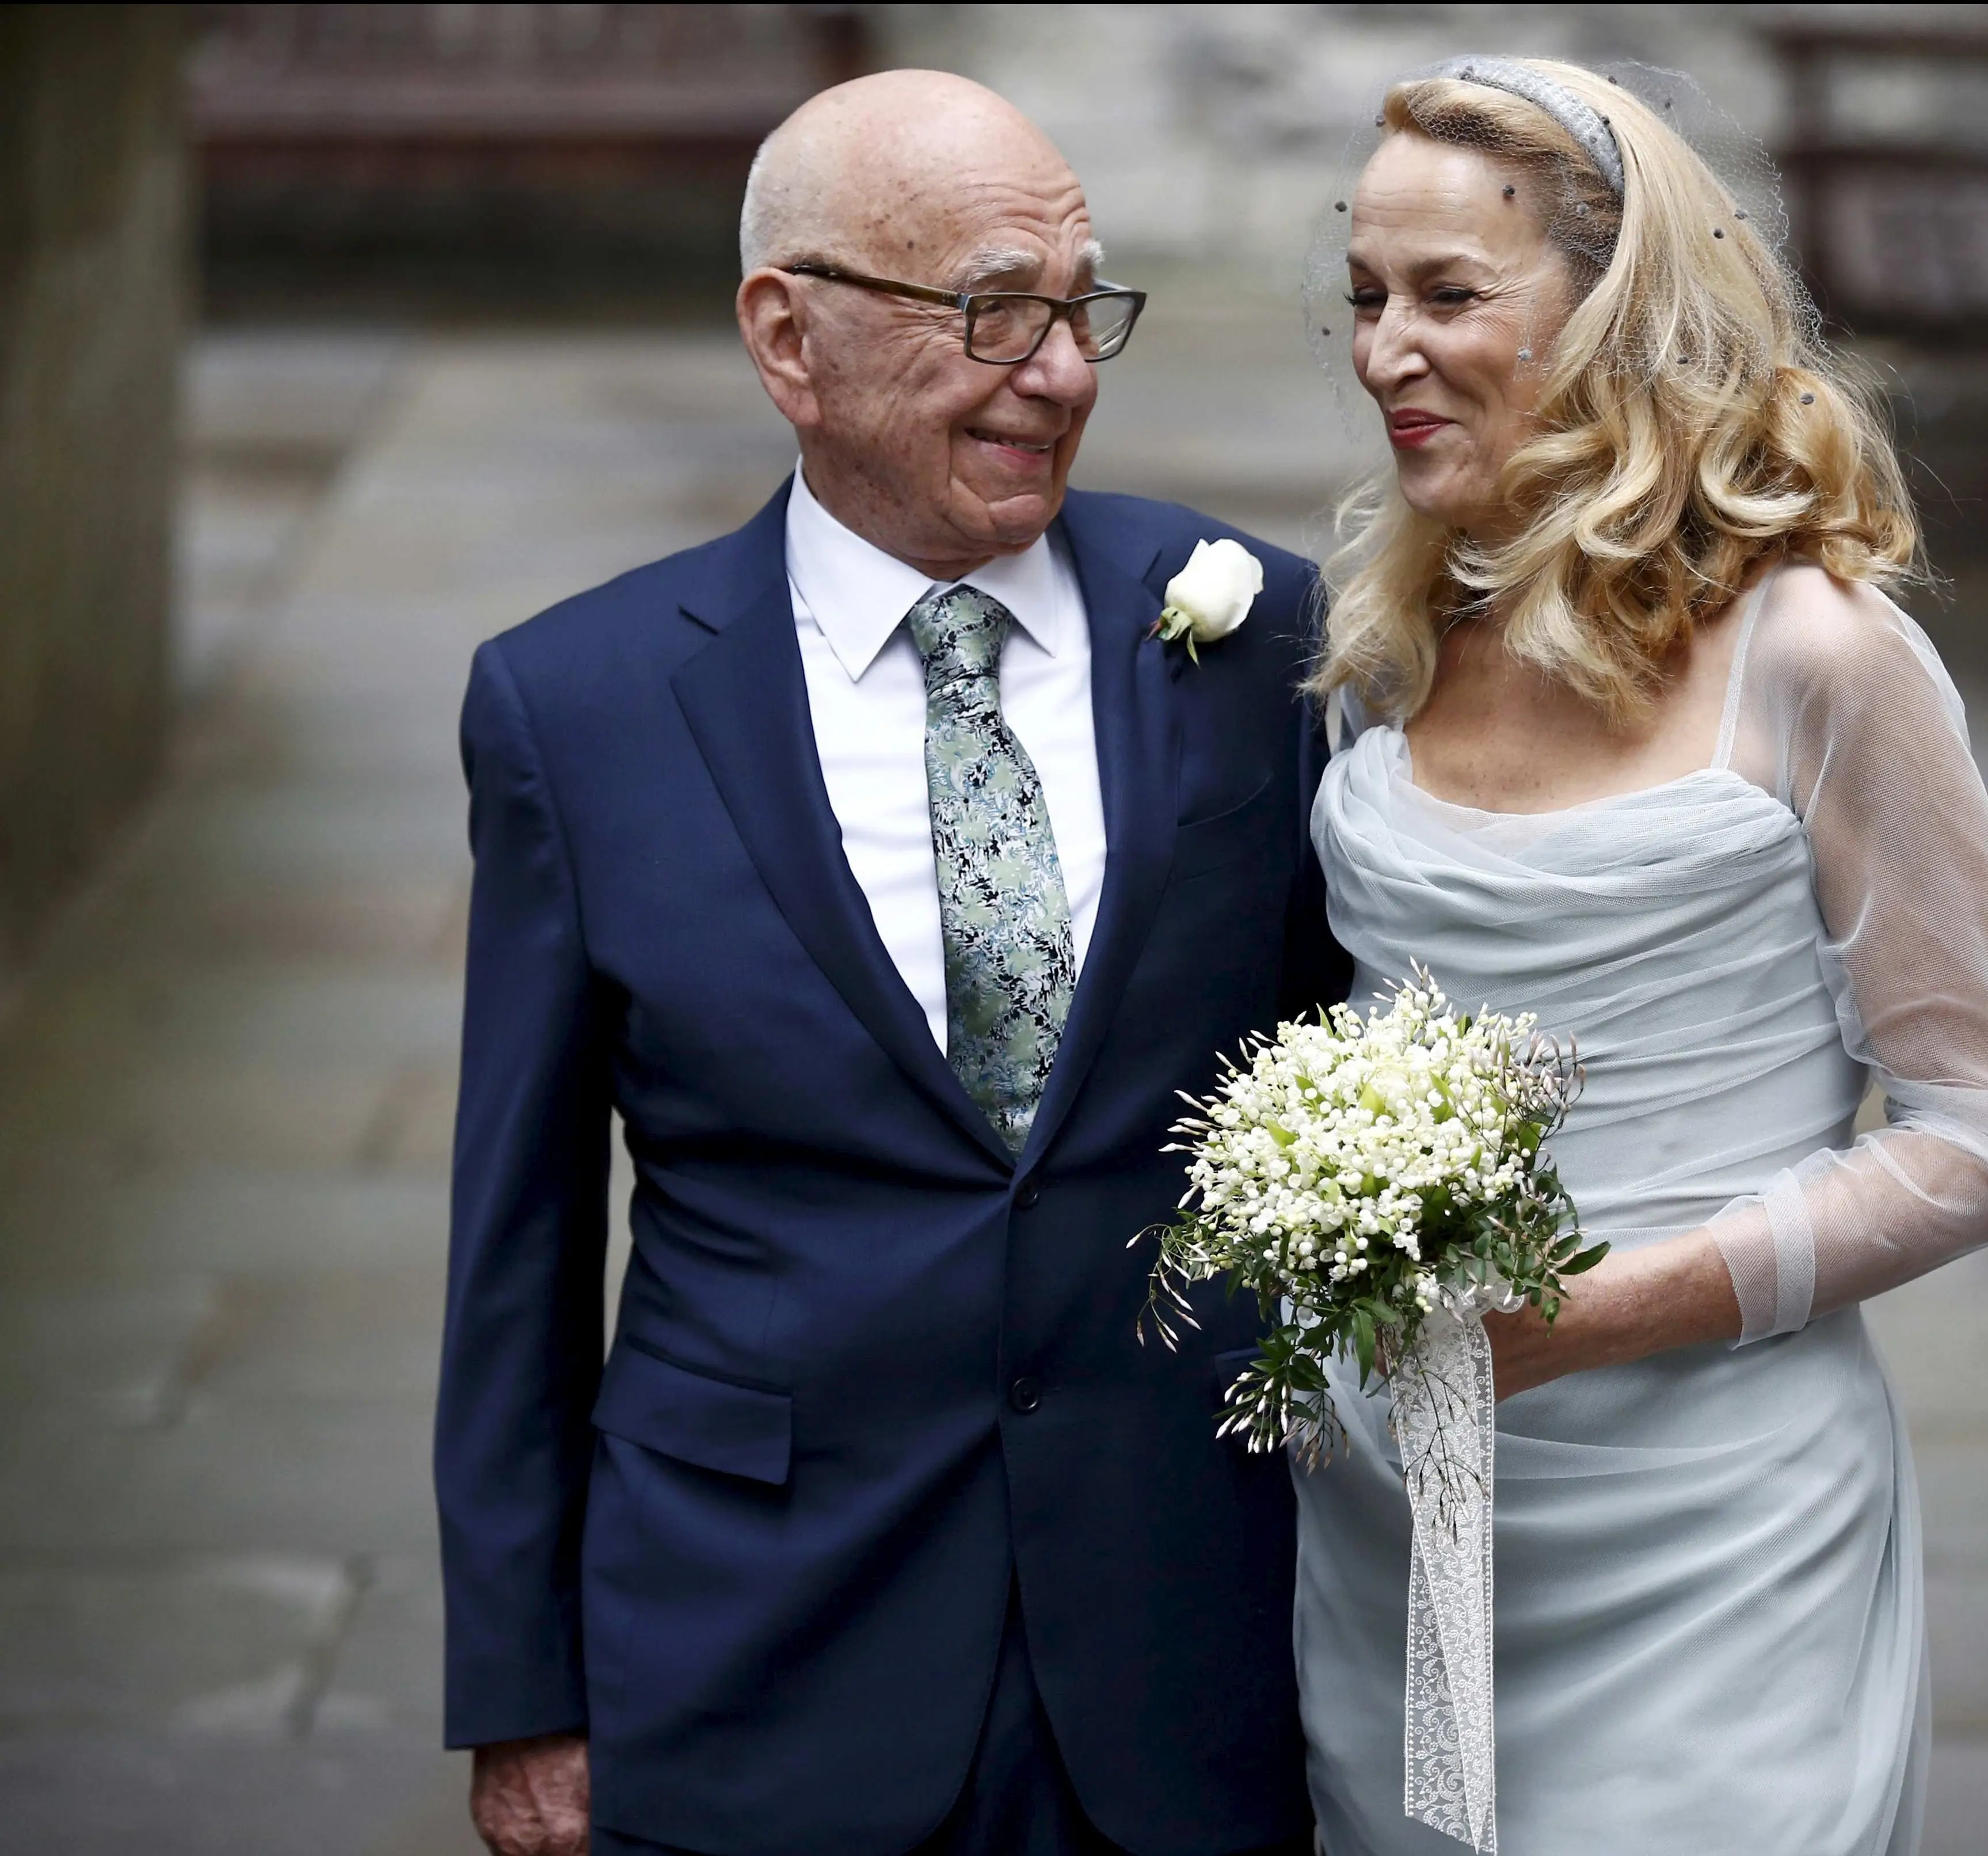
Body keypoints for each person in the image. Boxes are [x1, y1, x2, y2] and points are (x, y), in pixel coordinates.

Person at [435, 70, 1342, 1856]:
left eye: (1086, 312)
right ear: (793, 337)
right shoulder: (579, 708)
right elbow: (517, 1247)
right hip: (758, 1653)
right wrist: (522, 1688)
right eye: (997, 310)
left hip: (1179, 1653)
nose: (1065, 371)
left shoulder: (1255, 630)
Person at [1293, 57, 1988, 1854]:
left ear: (1616, 305)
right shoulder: (1400, 638)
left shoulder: (1821, 660)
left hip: (1723, 1555)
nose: (1382, 350)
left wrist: (1592, 1317)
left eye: (1448, 296)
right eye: (1364, 298)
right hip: (1400, 1528)